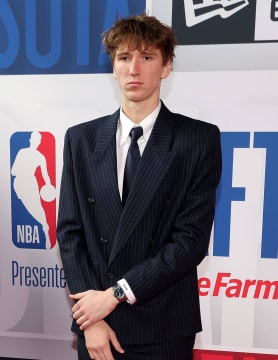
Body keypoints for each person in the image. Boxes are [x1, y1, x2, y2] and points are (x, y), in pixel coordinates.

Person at [56, 14, 222, 360]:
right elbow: (71, 235)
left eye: (146, 58)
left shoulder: (198, 139)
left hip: (163, 323)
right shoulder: (80, 139)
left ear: (166, 67)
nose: (134, 69)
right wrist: (91, 319)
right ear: (113, 68)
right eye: (124, 58)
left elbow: (190, 243)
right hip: (97, 327)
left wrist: (113, 295)